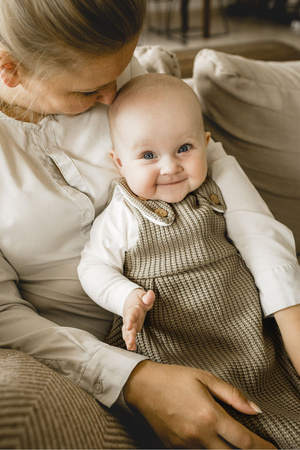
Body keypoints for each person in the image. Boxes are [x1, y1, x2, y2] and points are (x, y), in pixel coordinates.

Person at [0, 1, 298, 448]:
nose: (112, 96)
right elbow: (4, 315)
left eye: (119, 74)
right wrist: (134, 379)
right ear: (10, 70)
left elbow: (210, 166)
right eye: (89, 91)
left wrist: (288, 309)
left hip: (230, 311)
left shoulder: (112, 67)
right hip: (95, 356)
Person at [78, 73, 300, 448]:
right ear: (119, 163)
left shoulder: (215, 189)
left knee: (278, 400)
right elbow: (92, 267)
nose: (170, 167)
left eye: (184, 148)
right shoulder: (124, 214)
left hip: (245, 329)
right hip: (175, 344)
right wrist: (125, 297)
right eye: (148, 156)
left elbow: (264, 247)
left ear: (206, 143)